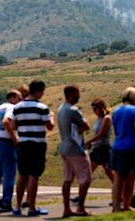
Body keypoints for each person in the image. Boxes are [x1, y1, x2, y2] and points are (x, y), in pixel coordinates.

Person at [4, 79, 55, 216]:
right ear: (38, 91)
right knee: (34, 175)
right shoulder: (42, 108)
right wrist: (51, 117)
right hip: (37, 144)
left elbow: (14, 126)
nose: (43, 94)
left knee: (22, 175)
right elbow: (50, 127)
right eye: (42, 91)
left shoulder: (18, 107)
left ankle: (18, 206)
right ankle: (32, 207)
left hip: (23, 143)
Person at [57, 84, 93, 218]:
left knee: (67, 179)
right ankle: (80, 208)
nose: (79, 96)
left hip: (64, 148)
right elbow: (86, 126)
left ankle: (66, 209)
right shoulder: (73, 110)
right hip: (76, 149)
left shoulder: (61, 108)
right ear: (72, 94)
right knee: (86, 179)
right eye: (78, 93)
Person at [0, 89, 22, 213]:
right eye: (19, 98)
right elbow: (6, 122)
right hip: (6, 142)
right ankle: (6, 202)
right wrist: (15, 138)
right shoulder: (12, 108)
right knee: (9, 173)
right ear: (12, 97)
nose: (20, 100)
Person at [109, 87, 135, 212]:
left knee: (118, 179)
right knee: (130, 179)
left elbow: (117, 130)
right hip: (132, 148)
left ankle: (116, 206)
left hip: (117, 147)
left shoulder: (116, 111)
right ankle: (126, 206)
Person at [85, 98, 114, 182]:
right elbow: (96, 134)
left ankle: (120, 191)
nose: (94, 111)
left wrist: (89, 141)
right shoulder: (98, 119)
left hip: (104, 148)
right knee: (88, 171)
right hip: (96, 148)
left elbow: (101, 134)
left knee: (108, 172)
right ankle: (81, 193)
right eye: (93, 109)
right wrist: (91, 143)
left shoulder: (107, 118)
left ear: (101, 107)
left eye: (95, 109)